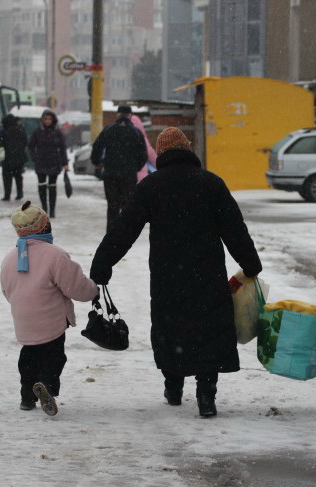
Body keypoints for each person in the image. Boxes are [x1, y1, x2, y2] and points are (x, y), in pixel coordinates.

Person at [89, 127, 262, 417]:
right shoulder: (211, 184)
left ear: (162, 154)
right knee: (207, 329)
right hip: (206, 273)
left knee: (172, 329)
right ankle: (206, 394)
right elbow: (234, 229)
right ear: (188, 149)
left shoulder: (151, 187)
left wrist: (103, 262)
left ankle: (173, 384)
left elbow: (124, 228)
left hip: (168, 275)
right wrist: (250, 263)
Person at [0, 201, 98, 416]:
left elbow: (7, 290)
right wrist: (94, 291)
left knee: (28, 359)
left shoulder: (10, 258)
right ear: (45, 226)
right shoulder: (55, 255)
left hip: (24, 320)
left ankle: (27, 396)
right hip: (51, 321)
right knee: (53, 357)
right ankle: (46, 385)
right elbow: (75, 286)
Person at [90, 105, 148, 229]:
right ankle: (124, 234)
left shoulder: (109, 130)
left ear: (118, 115)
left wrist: (97, 162)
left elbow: (97, 147)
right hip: (129, 175)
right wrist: (135, 167)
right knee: (127, 205)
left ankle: (111, 234)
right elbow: (143, 154)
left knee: (112, 205)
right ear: (130, 116)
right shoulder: (136, 133)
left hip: (110, 174)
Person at [27, 110, 69, 218]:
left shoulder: (57, 132)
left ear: (53, 120)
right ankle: (44, 208)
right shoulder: (37, 132)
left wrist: (65, 163)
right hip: (41, 162)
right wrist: (34, 158)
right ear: (42, 119)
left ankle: (52, 210)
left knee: (52, 186)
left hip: (54, 162)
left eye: (49, 119)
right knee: (41, 186)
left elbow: (62, 148)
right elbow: (30, 146)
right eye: (45, 119)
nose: (47, 121)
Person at [0, 114, 28, 201]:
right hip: (19, 158)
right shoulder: (20, 130)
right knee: (18, 176)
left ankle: (7, 195)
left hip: (7, 158)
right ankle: (19, 193)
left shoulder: (4, 132)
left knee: (7, 177)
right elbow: (25, 142)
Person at [130, 114, 157, 183]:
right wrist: (159, 165)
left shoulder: (121, 136)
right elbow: (150, 154)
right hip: (140, 175)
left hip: (124, 175)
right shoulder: (140, 137)